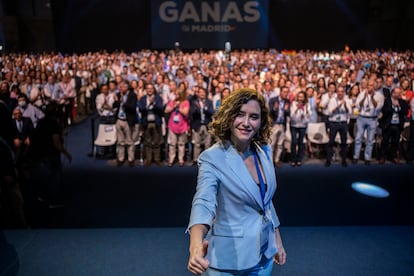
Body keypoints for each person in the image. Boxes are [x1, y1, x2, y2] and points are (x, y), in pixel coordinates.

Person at [187, 88, 286, 275]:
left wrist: (277, 240)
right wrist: (195, 246)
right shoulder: (212, 157)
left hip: (264, 255)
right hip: (228, 261)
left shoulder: (264, 149)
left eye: (254, 117)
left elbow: (264, 201)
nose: (246, 123)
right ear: (228, 117)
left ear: (261, 121)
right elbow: (204, 202)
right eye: (240, 115)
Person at [352, 79, 384, 165]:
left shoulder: (379, 95)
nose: (370, 87)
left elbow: (378, 107)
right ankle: (356, 156)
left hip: (372, 119)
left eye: (372, 85)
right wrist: (364, 97)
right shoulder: (362, 94)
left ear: (375, 86)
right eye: (369, 85)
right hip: (361, 118)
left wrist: (372, 97)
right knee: (358, 138)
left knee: (370, 140)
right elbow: (358, 106)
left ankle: (367, 158)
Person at [378, 87, 408, 164]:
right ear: (393, 93)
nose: (398, 94)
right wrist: (392, 107)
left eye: (399, 93)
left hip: (397, 125)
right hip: (388, 124)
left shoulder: (402, 102)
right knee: (385, 141)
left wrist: (399, 107)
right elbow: (385, 111)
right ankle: (382, 157)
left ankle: (393, 157)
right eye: (396, 93)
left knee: (395, 142)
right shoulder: (387, 101)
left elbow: (405, 112)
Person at [139, 83, 164, 166]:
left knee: (157, 141)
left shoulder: (158, 98)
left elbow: (161, 109)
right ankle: (149, 159)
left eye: (151, 88)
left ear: (153, 90)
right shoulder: (143, 99)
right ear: (146, 90)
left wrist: (154, 104)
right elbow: (141, 109)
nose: (149, 90)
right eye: (148, 88)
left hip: (156, 122)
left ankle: (157, 159)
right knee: (147, 141)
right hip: (146, 123)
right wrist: (148, 104)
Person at [325, 86, 351, 167]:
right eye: (339, 91)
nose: (340, 93)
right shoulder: (332, 100)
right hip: (333, 123)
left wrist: (345, 105)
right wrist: (338, 107)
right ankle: (328, 159)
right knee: (331, 142)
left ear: (343, 93)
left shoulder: (347, 100)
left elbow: (349, 111)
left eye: (342, 91)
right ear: (337, 93)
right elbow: (329, 112)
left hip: (343, 123)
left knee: (344, 142)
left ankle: (344, 159)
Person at [165, 86, 190, 167]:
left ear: (181, 95)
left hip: (182, 126)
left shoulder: (186, 102)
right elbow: (166, 110)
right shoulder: (172, 102)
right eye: (175, 94)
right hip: (172, 126)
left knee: (181, 144)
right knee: (172, 144)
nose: (176, 96)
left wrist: (179, 108)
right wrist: (173, 106)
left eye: (178, 95)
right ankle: (171, 159)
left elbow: (185, 113)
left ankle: (180, 159)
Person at [289, 91, 312, 166]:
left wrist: (304, 111)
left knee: (301, 143)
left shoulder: (307, 105)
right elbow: (291, 116)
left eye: (302, 97)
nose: (300, 98)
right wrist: (297, 109)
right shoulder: (293, 104)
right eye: (299, 97)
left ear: (304, 97)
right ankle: (293, 159)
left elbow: (309, 116)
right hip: (294, 125)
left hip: (302, 125)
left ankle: (299, 159)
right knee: (294, 142)